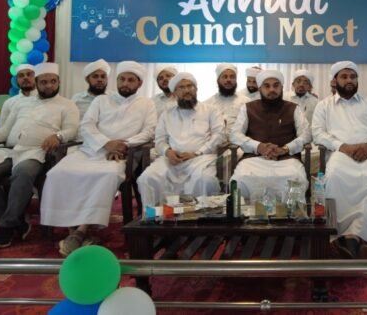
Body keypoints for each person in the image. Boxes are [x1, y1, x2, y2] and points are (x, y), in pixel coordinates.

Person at [40, 61, 156, 256]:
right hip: (92, 150)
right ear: (116, 80)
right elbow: (87, 126)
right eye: (122, 79)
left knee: (106, 175)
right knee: (58, 172)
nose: (125, 83)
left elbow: (149, 131)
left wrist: (124, 145)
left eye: (131, 80)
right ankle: (72, 229)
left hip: (122, 155)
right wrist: (106, 143)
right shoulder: (102, 100)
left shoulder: (146, 103)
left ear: (139, 83)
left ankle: (81, 231)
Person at [0, 63, 79, 249]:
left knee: (22, 172)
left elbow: (72, 130)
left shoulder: (67, 105)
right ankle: (17, 223)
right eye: (44, 82)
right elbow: (4, 131)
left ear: (58, 82)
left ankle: (6, 227)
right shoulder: (20, 103)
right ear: (36, 83)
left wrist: (58, 136)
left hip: (36, 152)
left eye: (53, 81)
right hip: (10, 150)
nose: (49, 85)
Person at [311, 61, 367, 258]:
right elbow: (318, 133)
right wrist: (342, 146)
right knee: (334, 177)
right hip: (340, 153)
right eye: (344, 77)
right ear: (335, 81)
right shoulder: (324, 106)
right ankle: (345, 235)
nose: (349, 80)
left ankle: (354, 238)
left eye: (353, 77)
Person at [138, 72, 224, 207]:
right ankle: (155, 217)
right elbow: (159, 140)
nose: (187, 90)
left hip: (201, 159)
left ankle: (201, 217)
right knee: (148, 177)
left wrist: (197, 153)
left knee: (204, 179)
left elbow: (219, 135)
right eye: (181, 87)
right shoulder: (166, 114)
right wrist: (168, 152)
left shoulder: (211, 110)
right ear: (174, 93)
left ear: (196, 89)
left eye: (190, 86)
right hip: (171, 160)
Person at [230, 70, 311, 199]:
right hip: (254, 159)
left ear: (282, 88)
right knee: (240, 179)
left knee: (296, 179)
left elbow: (306, 134)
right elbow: (235, 134)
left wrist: (285, 149)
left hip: (287, 160)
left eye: (276, 85)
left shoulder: (294, 108)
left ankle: (289, 212)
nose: (272, 89)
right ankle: (247, 212)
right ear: (260, 89)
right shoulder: (247, 108)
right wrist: (258, 146)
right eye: (267, 86)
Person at [204, 64, 250, 144]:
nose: (228, 80)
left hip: (241, 146)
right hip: (214, 147)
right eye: (225, 77)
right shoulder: (207, 104)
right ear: (218, 80)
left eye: (232, 77)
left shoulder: (246, 102)